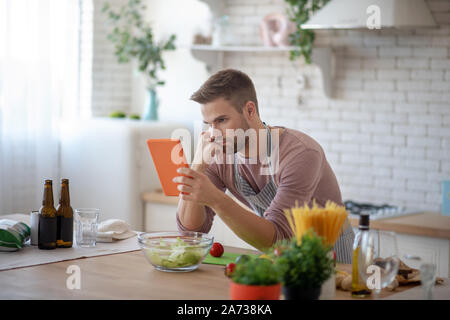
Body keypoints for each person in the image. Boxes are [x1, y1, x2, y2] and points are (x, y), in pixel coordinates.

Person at [174, 68, 354, 263]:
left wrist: (217, 200)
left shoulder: (300, 154)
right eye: (209, 124)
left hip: (331, 259)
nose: (214, 133)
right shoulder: (220, 153)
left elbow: (279, 239)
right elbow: (191, 232)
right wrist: (197, 167)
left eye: (222, 120)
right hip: (282, 259)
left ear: (250, 110)